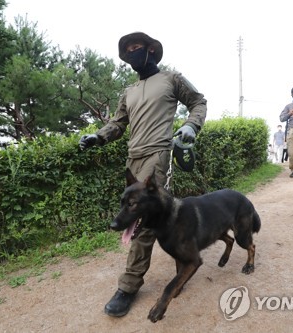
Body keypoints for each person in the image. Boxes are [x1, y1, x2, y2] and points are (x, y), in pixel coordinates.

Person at [78, 32, 207, 316]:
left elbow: (198, 102)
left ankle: (128, 285)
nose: (132, 53)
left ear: (150, 50)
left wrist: (191, 126)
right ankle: (184, 263)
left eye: (136, 48)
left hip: (158, 155)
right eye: (128, 51)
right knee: (162, 215)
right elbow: (117, 123)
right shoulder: (129, 91)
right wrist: (97, 137)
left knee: (142, 221)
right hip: (133, 159)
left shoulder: (171, 79)